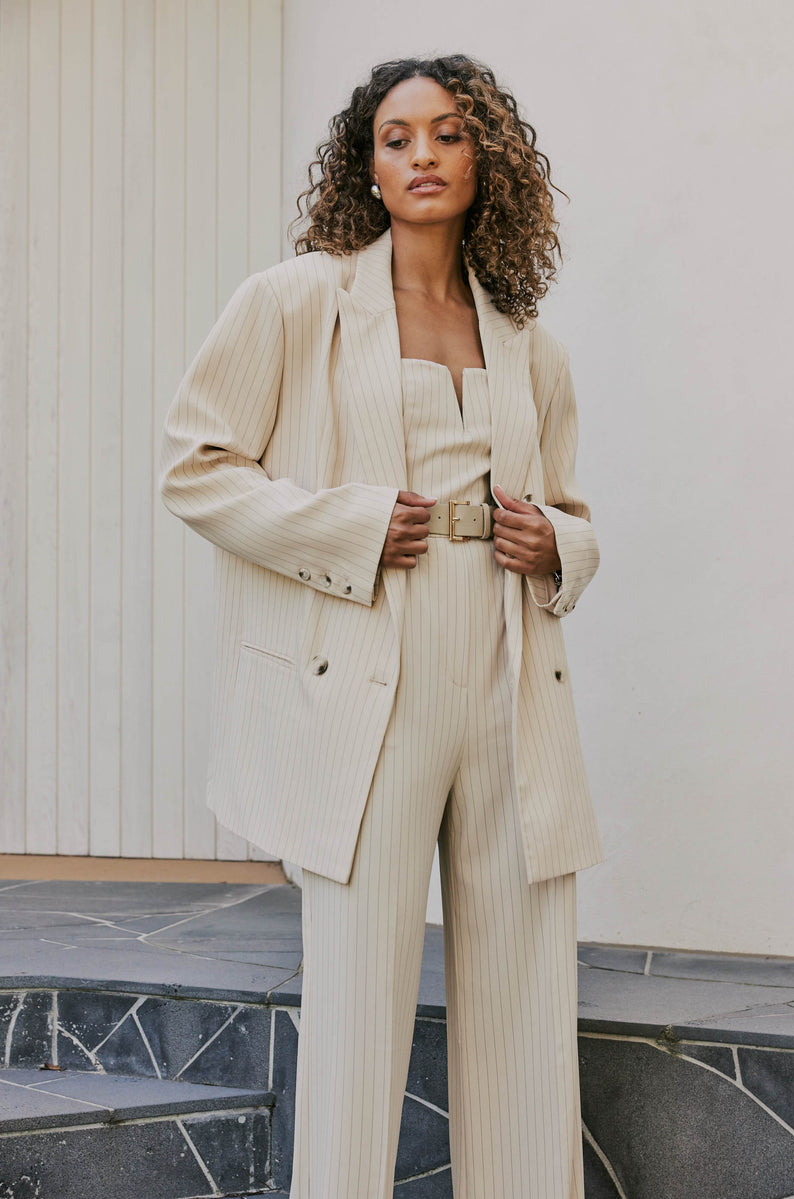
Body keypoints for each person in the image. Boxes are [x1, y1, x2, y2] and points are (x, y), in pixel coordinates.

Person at [159, 52, 603, 1199]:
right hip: (368, 674)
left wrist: (558, 544)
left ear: (484, 156)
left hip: (507, 679)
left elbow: (572, 508)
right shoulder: (298, 299)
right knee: (356, 1003)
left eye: (447, 133)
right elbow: (196, 467)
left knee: (522, 1007)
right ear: (365, 163)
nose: (422, 155)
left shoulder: (525, 341)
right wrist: (346, 527)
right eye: (396, 137)